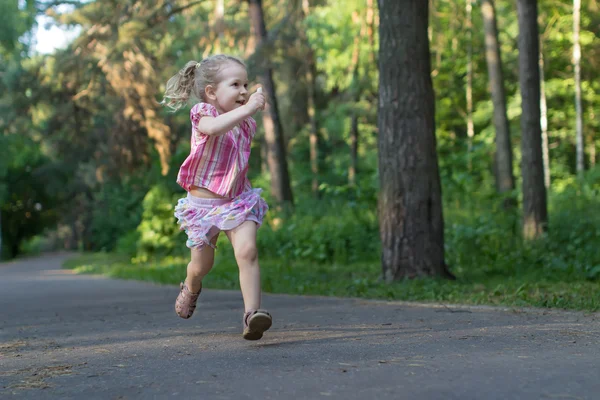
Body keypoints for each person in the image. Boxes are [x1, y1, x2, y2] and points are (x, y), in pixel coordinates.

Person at [161, 55, 271, 340]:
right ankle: (192, 283)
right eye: (235, 84)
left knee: (247, 252)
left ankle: (252, 316)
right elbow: (213, 128)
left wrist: (248, 110)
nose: (244, 90)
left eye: (246, 84)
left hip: (237, 201)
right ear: (212, 92)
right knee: (202, 265)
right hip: (202, 207)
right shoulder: (202, 113)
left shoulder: (246, 124)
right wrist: (247, 109)